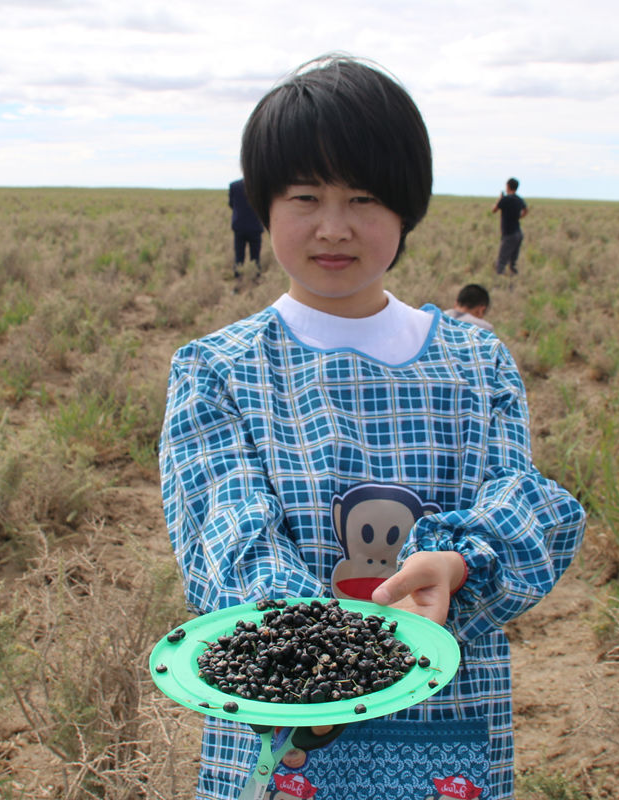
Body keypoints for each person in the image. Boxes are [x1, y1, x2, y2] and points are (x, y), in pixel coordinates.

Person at [159, 55, 585, 800]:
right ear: (263, 205)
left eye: (362, 198)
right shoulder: (217, 369)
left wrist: (458, 568)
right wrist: (308, 664)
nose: (334, 228)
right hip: (283, 724)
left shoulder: (476, 360)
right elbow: (228, 540)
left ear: (405, 209)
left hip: (447, 718)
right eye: (304, 197)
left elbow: (517, 502)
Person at [228, 177, 264, 277]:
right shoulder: (259, 185)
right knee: (255, 257)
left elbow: (231, 204)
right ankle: (256, 279)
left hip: (239, 226)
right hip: (255, 226)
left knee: (239, 256)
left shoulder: (234, 186)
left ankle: (238, 281)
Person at [492, 178, 527, 276]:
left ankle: (499, 283)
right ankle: (513, 279)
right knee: (513, 262)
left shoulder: (505, 199)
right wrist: (519, 217)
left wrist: (500, 198)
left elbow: (494, 210)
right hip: (518, 233)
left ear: (508, 186)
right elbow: (526, 210)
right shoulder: (519, 199)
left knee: (502, 262)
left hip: (509, 234)